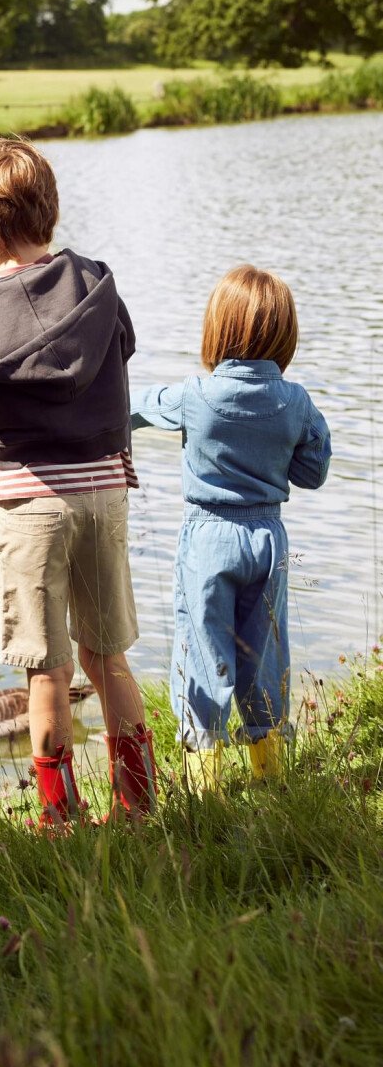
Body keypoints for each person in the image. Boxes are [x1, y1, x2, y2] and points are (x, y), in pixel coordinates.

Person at [0, 135, 157, 825]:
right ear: (46, 207)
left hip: (28, 500)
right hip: (105, 488)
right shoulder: (96, 283)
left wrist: (5, 483)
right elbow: (121, 356)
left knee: (44, 670)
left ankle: (57, 817)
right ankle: (136, 805)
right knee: (107, 658)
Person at [131, 265, 331, 784]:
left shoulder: (194, 395)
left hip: (207, 538)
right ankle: (270, 777)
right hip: (267, 539)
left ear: (216, 330)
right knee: (264, 655)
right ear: (284, 334)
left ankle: (207, 794)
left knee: (202, 656)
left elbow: (132, 409)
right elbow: (313, 472)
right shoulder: (296, 401)